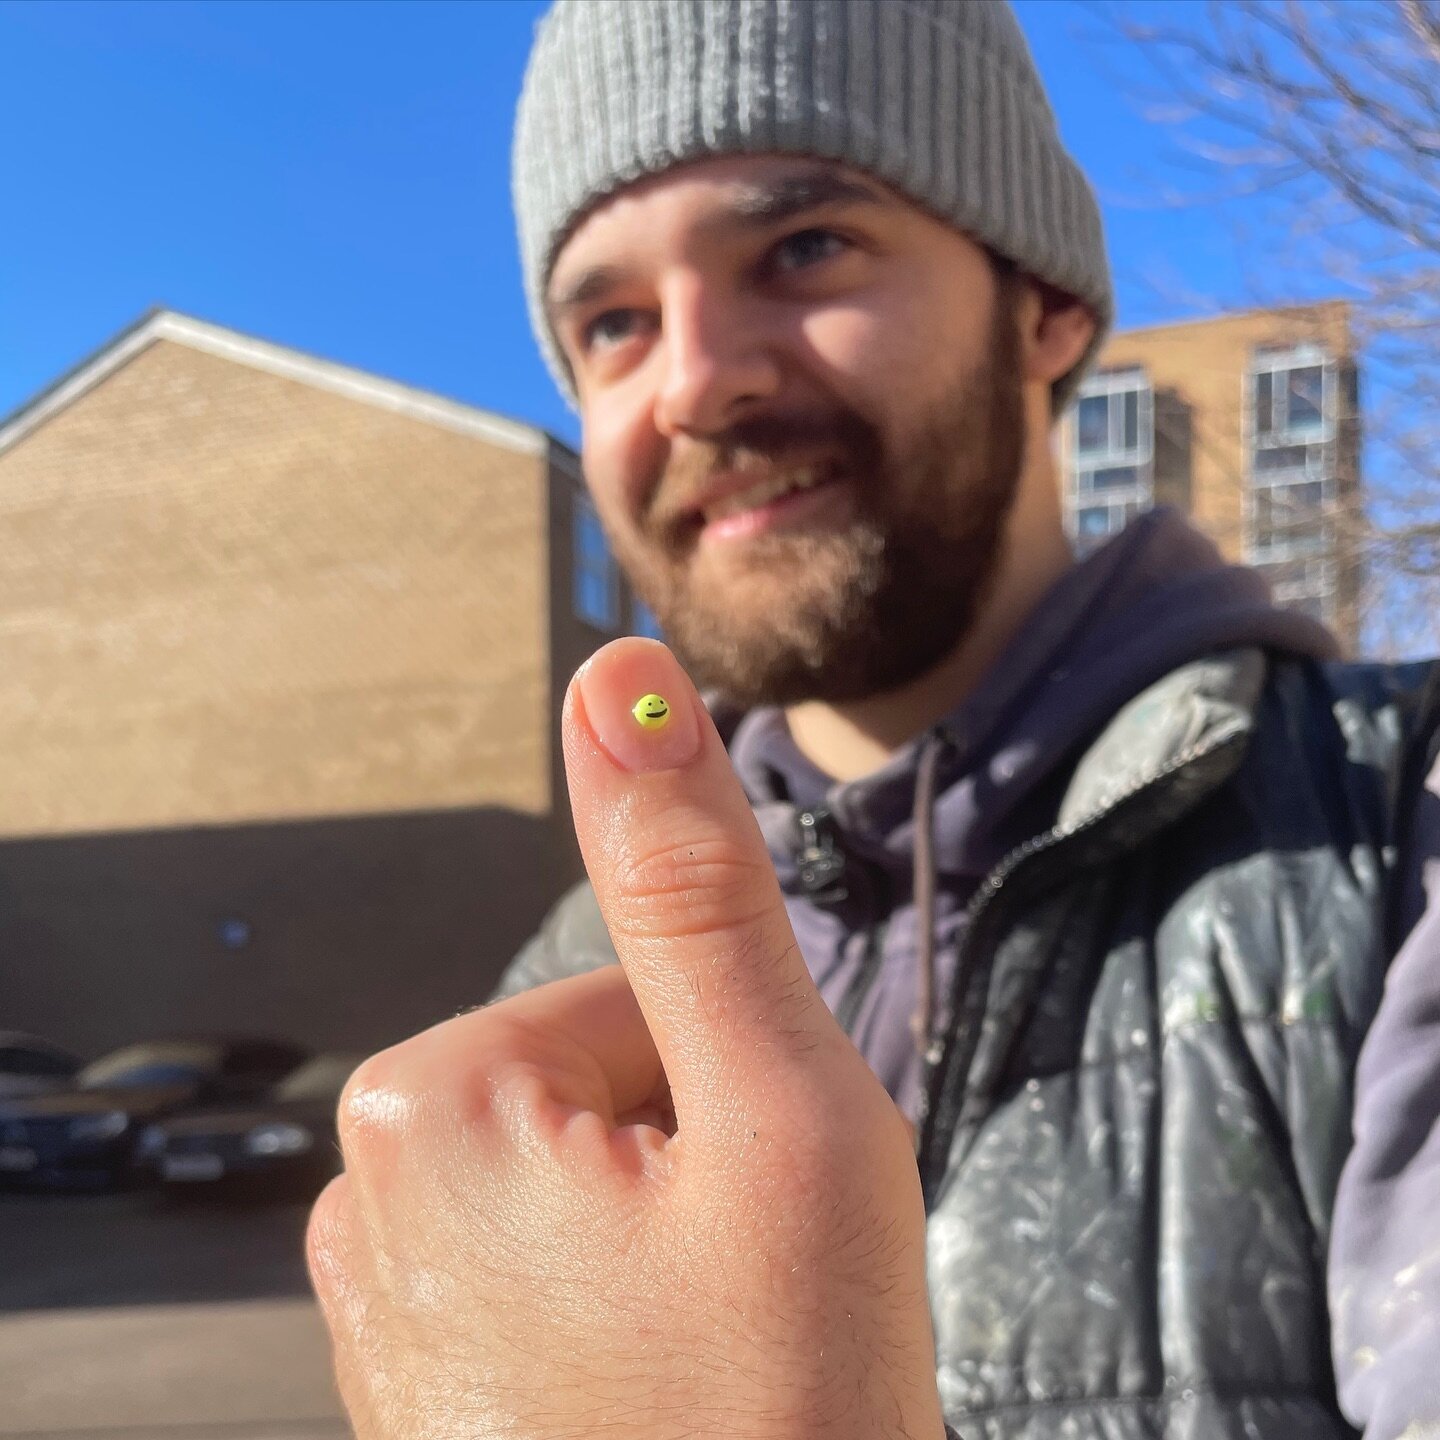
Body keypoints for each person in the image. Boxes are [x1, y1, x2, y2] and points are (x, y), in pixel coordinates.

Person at [306, 2, 1440, 1436]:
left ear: (1044, 307)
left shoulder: (1397, 834)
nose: (700, 377)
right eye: (611, 323)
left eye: (802, 249)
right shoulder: (569, 988)